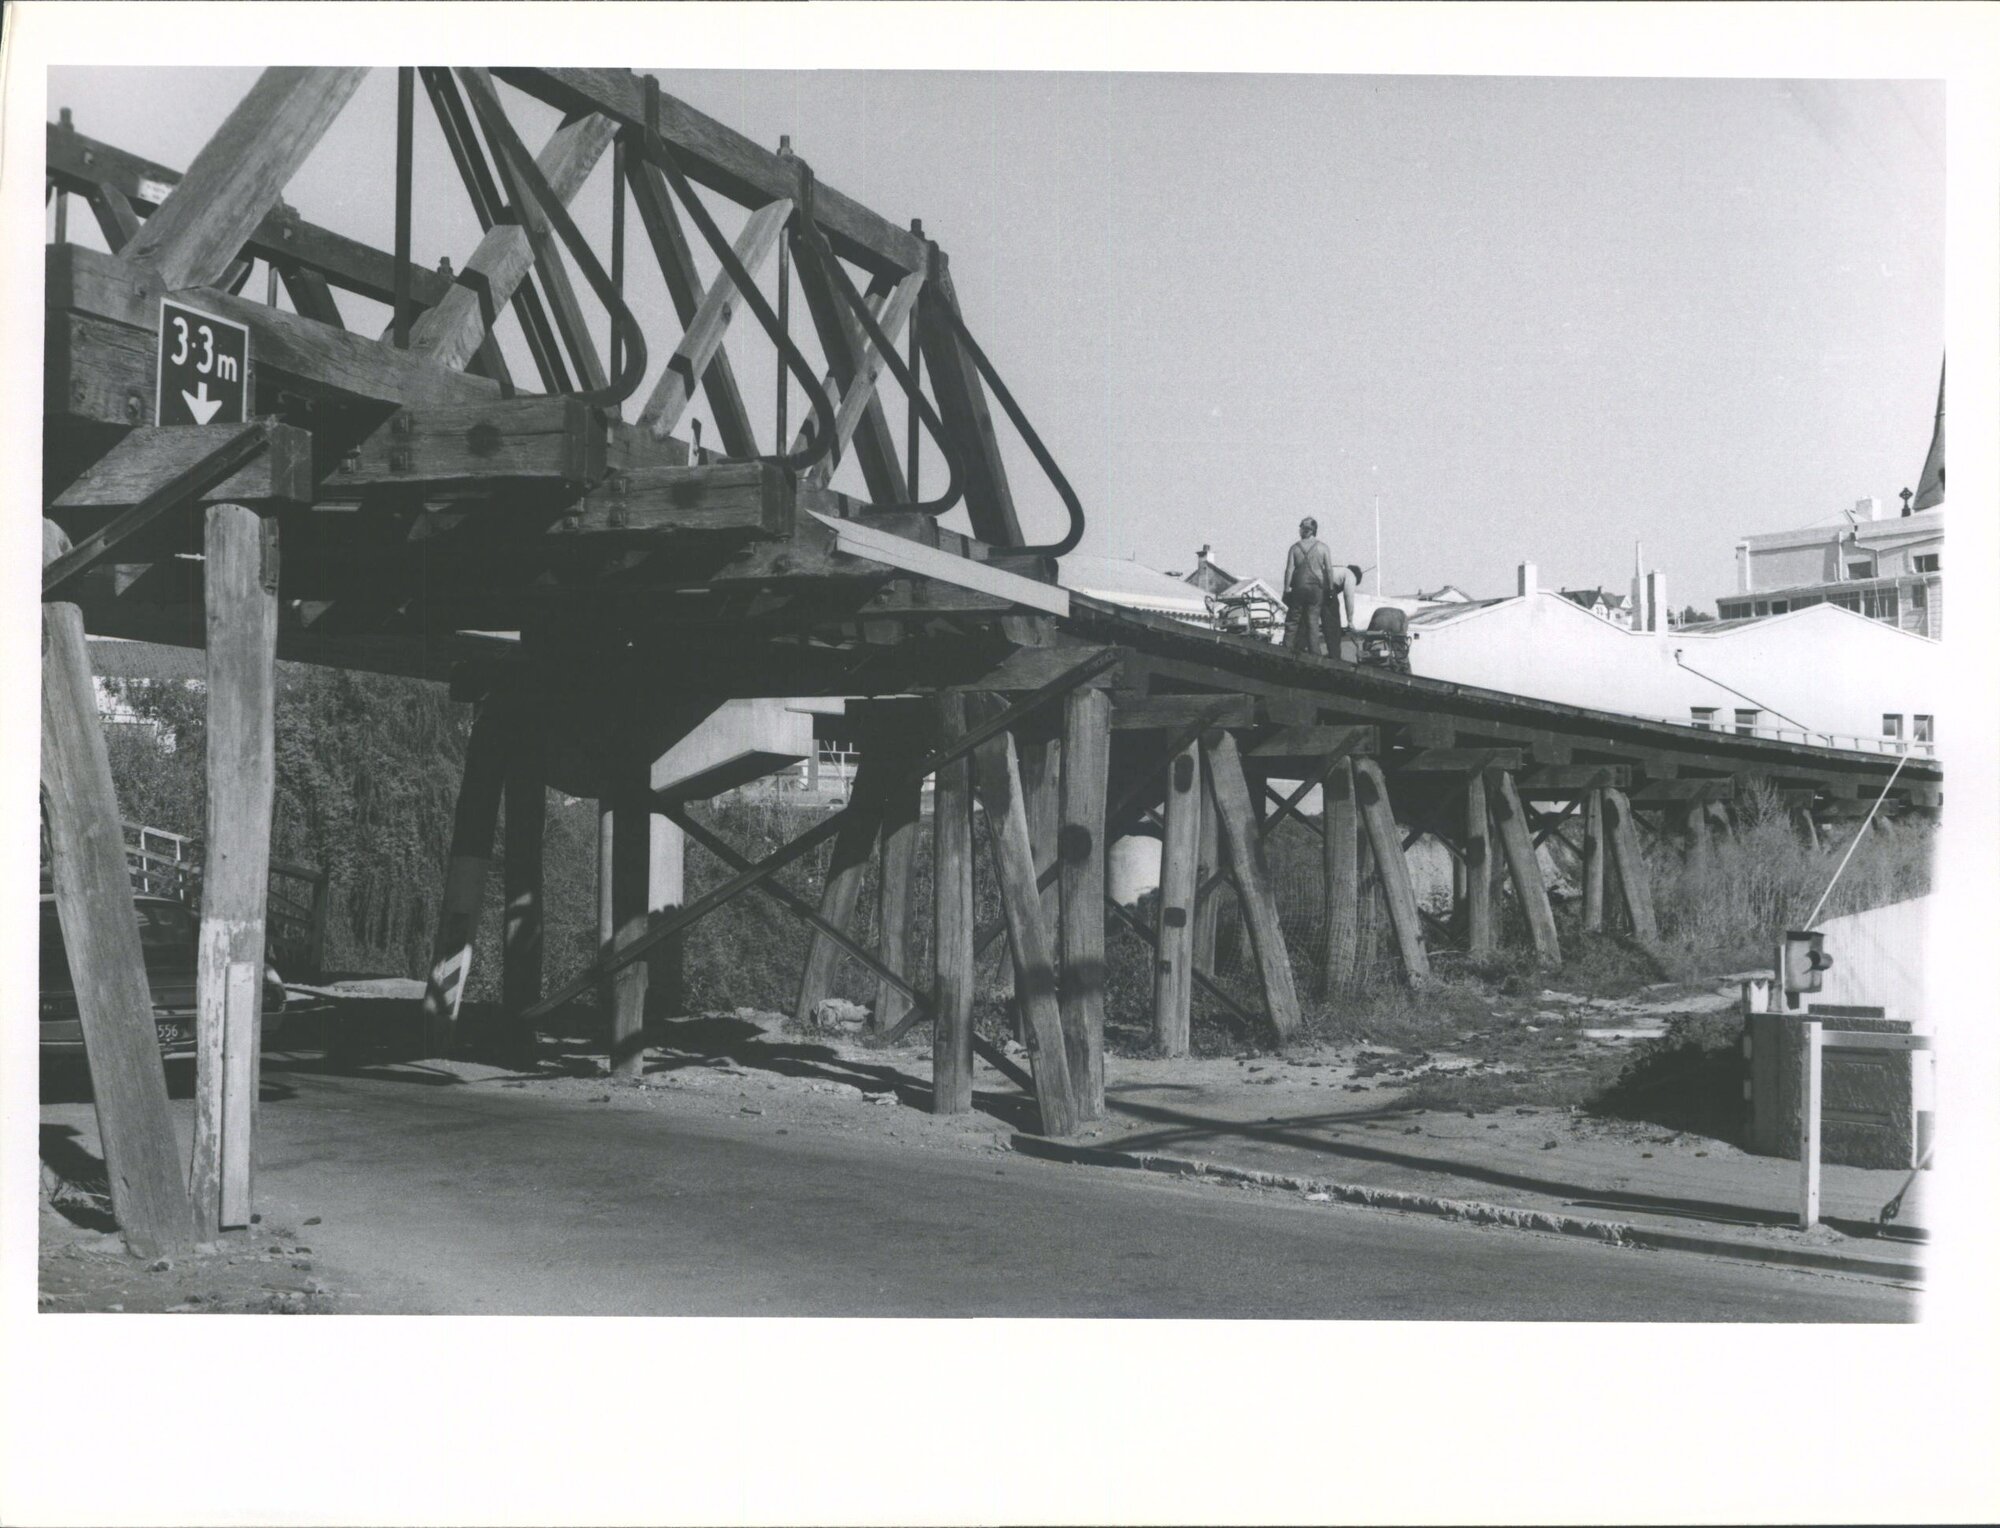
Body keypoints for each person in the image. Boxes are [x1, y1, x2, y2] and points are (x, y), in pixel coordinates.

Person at [1282, 517, 1354, 656]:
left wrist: (1286, 590)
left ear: (1303, 530)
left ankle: (1285, 650)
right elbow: (1328, 570)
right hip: (1317, 590)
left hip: (1299, 587)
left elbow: (1289, 570)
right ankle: (1315, 653)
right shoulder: (1323, 547)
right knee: (1312, 622)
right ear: (1314, 531)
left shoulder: (1294, 548)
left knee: (1293, 621)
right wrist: (1331, 590)